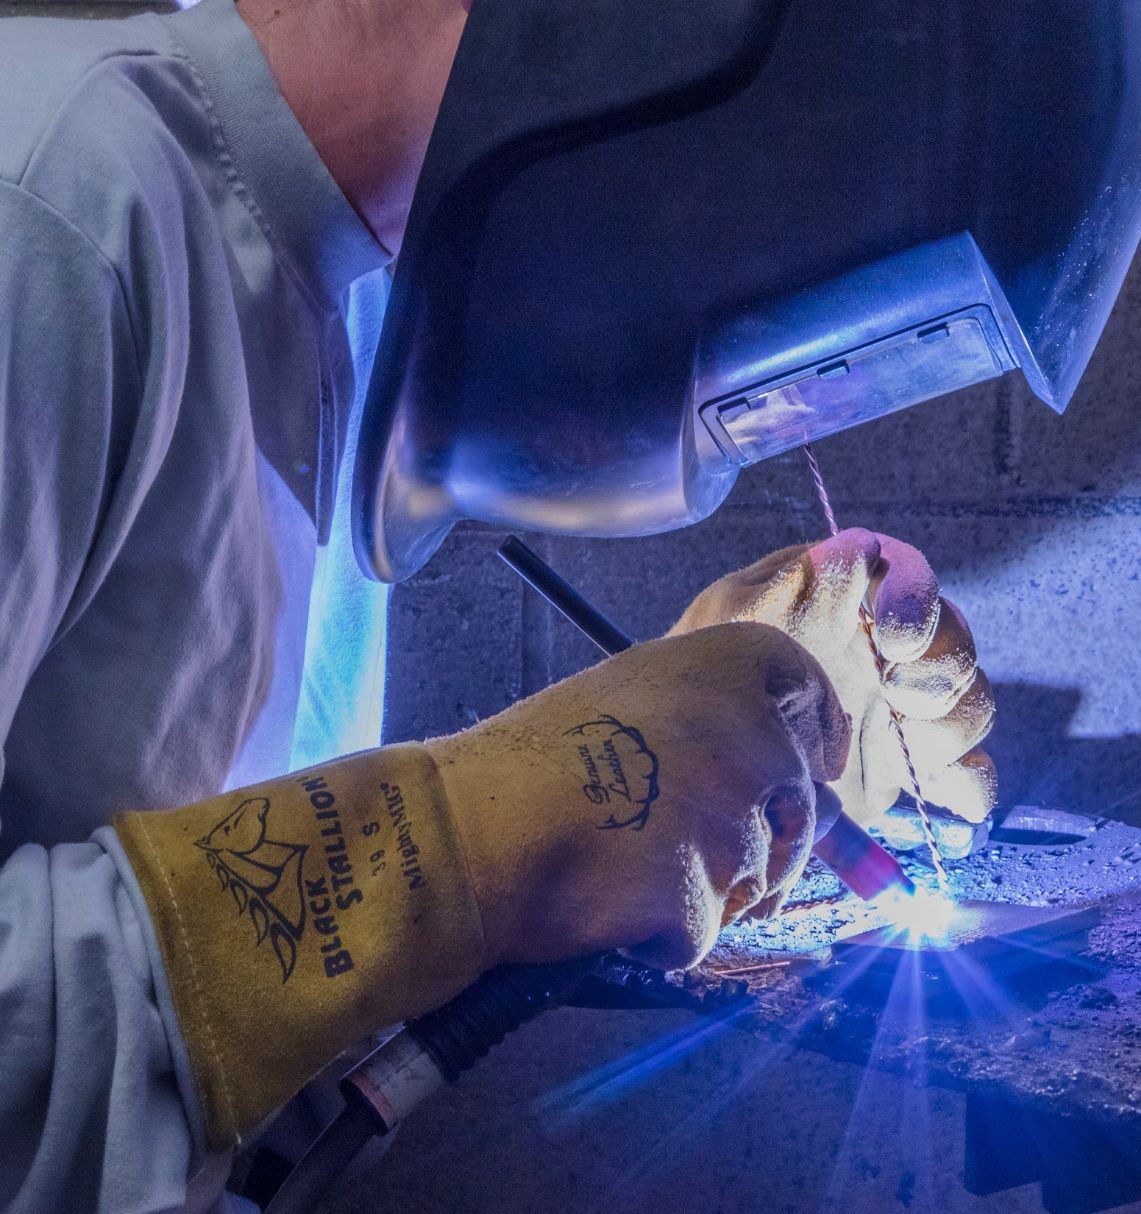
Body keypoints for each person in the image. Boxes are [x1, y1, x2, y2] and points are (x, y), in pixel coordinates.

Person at [0, 1, 996, 1210]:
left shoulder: (336, 293)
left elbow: (212, 993)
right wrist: (442, 843)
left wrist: (642, 779)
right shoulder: (49, 195)